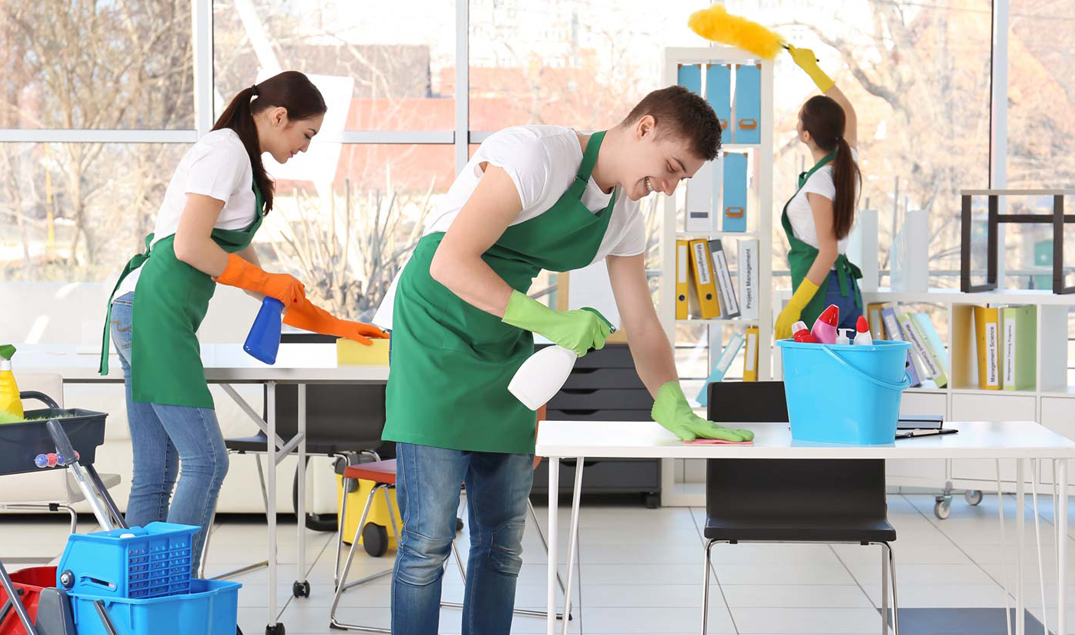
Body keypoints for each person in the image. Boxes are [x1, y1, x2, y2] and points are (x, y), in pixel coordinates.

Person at [374, 85, 753, 635]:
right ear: (644, 127)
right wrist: (552, 323)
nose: (670, 188)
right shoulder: (537, 155)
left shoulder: (625, 216)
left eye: (682, 180)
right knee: (428, 538)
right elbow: (450, 262)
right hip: (436, 326)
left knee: (502, 540)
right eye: (671, 169)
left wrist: (672, 398)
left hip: (505, 332)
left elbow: (642, 322)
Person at [98, 71, 387, 574]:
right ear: (279, 116)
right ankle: (174, 586)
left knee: (156, 470)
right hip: (151, 310)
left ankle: (139, 594)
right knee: (208, 460)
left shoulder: (243, 166)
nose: (305, 147)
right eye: (306, 134)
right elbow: (189, 246)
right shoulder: (225, 151)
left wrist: (339, 326)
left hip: (143, 311)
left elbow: (259, 283)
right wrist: (268, 282)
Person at [774, 46, 864, 340]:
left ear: (806, 135)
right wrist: (811, 68)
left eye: (799, 119)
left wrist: (794, 306)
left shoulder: (820, 183)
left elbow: (828, 251)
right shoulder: (847, 164)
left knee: (816, 367)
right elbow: (847, 108)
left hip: (822, 292)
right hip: (846, 290)